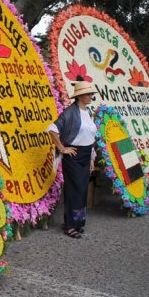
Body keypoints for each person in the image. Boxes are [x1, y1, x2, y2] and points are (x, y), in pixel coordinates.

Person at [47, 81, 97, 239]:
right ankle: (70, 226)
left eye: (91, 94)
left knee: (81, 190)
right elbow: (52, 129)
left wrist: (91, 158)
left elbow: (89, 137)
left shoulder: (86, 112)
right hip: (74, 156)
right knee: (73, 190)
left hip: (85, 154)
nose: (91, 96)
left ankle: (77, 222)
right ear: (80, 96)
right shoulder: (70, 112)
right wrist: (62, 148)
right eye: (89, 94)